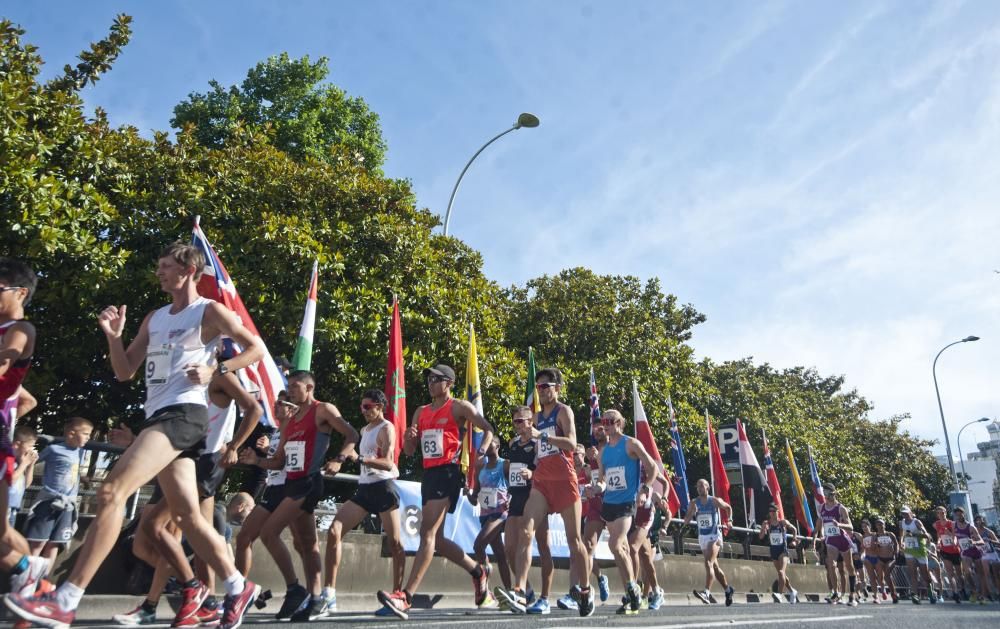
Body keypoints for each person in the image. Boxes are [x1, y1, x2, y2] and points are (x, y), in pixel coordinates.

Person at [7, 243, 265, 629]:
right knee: (188, 516)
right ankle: (236, 584)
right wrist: (113, 336)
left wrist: (218, 370)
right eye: (158, 265)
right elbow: (125, 370)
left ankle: (66, 599)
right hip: (159, 415)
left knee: (112, 493)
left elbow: (256, 348)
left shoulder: (209, 311)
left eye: (166, 266)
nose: (159, 271)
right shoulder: (155, 317)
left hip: (185, 414)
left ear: (189, 270)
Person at [111, 339, 262, 626]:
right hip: (181, 457)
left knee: (157, 527)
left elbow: (253, 409)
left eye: (211, 344)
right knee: (192, 537)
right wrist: (134, 441)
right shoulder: (188, 377)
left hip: (204, 461)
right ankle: (200, 600)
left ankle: (194, 592)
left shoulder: (220, 376)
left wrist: (233, 446)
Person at [377, 364, 495, 620]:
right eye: (429, 379)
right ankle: (478, 571)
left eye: (436, 379)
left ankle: (406, 597)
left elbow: (487, 428)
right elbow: (409, 451)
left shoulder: (459, 407)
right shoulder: (420, 412)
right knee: (438, 540)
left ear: (449, 383)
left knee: (427, 533)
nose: (430, 383)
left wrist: (482, 451)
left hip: (449, 472)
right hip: (429, 475)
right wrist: (409, 437)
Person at [249, 370, 358, 622]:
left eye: (295, 387)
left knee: (268, 532)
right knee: (306, 544)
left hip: (309, 483)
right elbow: (278, 462)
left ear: (309, 388)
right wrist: (256, 460)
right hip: (292, 483)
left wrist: (339, 459)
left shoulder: (323, 410)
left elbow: (352, 434)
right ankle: (316, 597)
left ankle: (295, 588)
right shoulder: (290, 421)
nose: (291, 391)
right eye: (289, 386)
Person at [498, 368, 593, 617]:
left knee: (575, 541)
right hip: (541, 481)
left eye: (546, 386)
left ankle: (584, 589)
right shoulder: (537, 417)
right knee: (525, 531)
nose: (542, 390)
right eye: (539, 387)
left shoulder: (564, 411)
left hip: (564, 481)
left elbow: (572, 443)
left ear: (557, 388)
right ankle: (519, 592)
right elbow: (533, 441)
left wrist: (543, 437)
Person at [320, 389, 404, 618]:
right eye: (362, 407)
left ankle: (398, 596)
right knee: (334, 530)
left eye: (367, 407)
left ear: (379, 406)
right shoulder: (362, 430)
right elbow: (352, 450)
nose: (363, 411)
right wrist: (340, 458)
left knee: (395, 543)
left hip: (384, 487)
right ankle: (329, 593)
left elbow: (388, 463)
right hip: (365, 489)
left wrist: (360, 458)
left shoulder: (386, 428)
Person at [0, 258, 50, 598]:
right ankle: (37, 582)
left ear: (20, 292)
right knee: (2, 532)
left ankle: (30, 577)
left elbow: (6, 362)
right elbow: (24, 396)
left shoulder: (20, 329)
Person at [586, 410, 657, 615]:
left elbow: (651, 467)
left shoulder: (631, 444)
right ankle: (632, 590)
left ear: (619, 423)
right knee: (622, 550)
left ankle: (632, 589)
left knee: (615, 544)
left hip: (627, 503)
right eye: (603, 422)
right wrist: (596, 489)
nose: (605, 425)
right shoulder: (603, 453)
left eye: (609, 421)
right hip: (609, 503)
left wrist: (644, 489)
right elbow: (603, 479)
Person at [494, 406, 551, 615]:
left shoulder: (539, 444)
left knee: (542, 546)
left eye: (521, 421)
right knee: (510, 547)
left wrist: (532, 473)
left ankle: (544, 596)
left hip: (536, 496)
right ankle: (525, 592)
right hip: (517, 497)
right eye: (514, 421)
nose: (517, 425)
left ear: (530, 421)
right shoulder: (512, 443)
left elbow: (547, 469)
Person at [24, 418, 94, 567]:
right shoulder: (53, 449)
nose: (89, 438)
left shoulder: (80, 452)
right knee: (38, 543)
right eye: (86, 434)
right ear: (71, 433)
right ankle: (25, 580)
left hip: (68, 505)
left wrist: (82, 478)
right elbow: (32, 461)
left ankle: (43, 582)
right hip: (50, 501)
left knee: (55, 544)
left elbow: (70, 470)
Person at [681, 478, 735, 606]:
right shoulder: (694, 502)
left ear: (707, 487)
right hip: (703, 537)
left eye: (702, 486)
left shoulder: (714, 501)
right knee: (715, 567)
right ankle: (728, 590)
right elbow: (686, 520)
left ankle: (706, 592)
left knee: (708, 563)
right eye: (698, 487)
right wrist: (691, 514)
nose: (699, 488)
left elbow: (728, 508)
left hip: (714, 536)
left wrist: (730, 520)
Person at [470, 436, 512, 600]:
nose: (486, 447)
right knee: (500, 555)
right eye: (484, 445)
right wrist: (469, 494)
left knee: (478, 546)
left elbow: (516, 486)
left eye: (490, 443)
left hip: (500, 513)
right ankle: (510, 592)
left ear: (498, 446)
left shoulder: (505, 464)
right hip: (485, 514)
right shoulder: (480, 468)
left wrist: (511, 500)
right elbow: (475, 498)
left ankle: (485, 575)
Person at [814, 484, 858, 606]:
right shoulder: (821, 508)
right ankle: (835, 592)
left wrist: (839, 524)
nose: (827, 496)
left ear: (833, 494)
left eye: (830, 494)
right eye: (826, 494)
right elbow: (820, 522)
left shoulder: (841, 508)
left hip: (842, 540)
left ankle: (852, 595)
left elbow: (851, 527)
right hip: (831, 541)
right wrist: (819, 533)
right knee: (831, 564)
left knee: (849, 567)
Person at [759, 503, 798, 603]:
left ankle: (780, 595)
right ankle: (792, 591)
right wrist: (763, 528)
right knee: (781, 574)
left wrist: (794, 539)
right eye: (770, 511)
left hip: (783, 551)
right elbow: (761, 537)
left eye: (773, 511)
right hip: (773, 551)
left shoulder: (783, 522)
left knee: (781, 572)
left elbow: (794, 529)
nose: (771, 513)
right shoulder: (767, 523)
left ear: (777, 512)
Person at [899, 505, 937, 604]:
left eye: (906, 513)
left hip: (920, 550)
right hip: (909, 550)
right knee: (912, 573)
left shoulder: (916, 522)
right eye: (903, 513)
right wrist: (901, 544)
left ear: (910, 513)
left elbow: (927, 535)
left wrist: (915, 534)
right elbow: (901, 535)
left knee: (925, 574)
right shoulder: (902, 523)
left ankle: (931, 591)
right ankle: (915, 595)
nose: (905, 515)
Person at [954, 507, 988, 604]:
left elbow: (981, 541)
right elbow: (955, 536)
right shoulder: (954, 525)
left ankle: (983, 596)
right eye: (957, 515)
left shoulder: (970, 527)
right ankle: (974, 591)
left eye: (960, 514)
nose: (959, 516)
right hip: (965, 552)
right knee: (967, 572)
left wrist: (973, 541)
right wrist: (955, 542)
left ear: (963, 514)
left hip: (976, 551)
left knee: (981, 574)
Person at [932, 505, 964, 602]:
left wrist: (951, 538)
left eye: (942, 512)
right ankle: (955, 593)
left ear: (945, 513)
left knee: (959, 573)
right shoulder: (936, 524)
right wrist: (938, 543)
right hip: (945, 551)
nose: (941, 515)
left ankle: (962, 588)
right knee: (950, 573)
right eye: (938, 513)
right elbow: (939, 536)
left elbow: (955, 536)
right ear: (937, 515)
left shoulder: (952, 523)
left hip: (955, 550)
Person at [8, 425, 38, 526]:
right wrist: (24, 464)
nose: (31, 449)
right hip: (4, 507)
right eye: (30, 446)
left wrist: (30, 466)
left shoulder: (20, 462)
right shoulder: (8, 460)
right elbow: (9, 481)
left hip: (13, 508)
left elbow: (26, 485)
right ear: (17, 444)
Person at [872, 517, 898, 603]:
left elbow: (896, 544)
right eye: (878, 524)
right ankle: (883, 592)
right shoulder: (875, 536)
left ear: (884, 525)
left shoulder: (890, 534)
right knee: (880, 576)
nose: (880, 526)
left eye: (881, 524)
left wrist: (895, 552)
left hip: (890, 558)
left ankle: (894, 594)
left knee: (887, 574)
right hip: (880, 558)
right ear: (876, 526)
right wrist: (876, 545)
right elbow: (873, 547)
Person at [972, 515, 1000, 599]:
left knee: (996, 574)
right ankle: (990, 593)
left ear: (983, 521)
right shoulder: (974, 532)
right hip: (983, 555)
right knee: (986, 573)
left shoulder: (989, 532)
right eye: (977, 520)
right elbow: (972, 542)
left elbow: (998, 542)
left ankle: (998, 591)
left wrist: (990, 540)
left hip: (992, 553)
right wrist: (974, 542)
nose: (978, 522)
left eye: (980, 520)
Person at [857, 520, 882, 604]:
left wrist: (875, 544)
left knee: (880, 577)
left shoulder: (875, 535)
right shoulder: (863, 537)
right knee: (872, 578)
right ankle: (876, 596)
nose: (864, 528)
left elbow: (879, 545)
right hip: (868, 558)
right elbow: (863, 548)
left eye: (865, 526)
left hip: (877, 557)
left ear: (869, 526)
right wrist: (860, 555)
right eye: (862, 527)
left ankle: (883, 589)